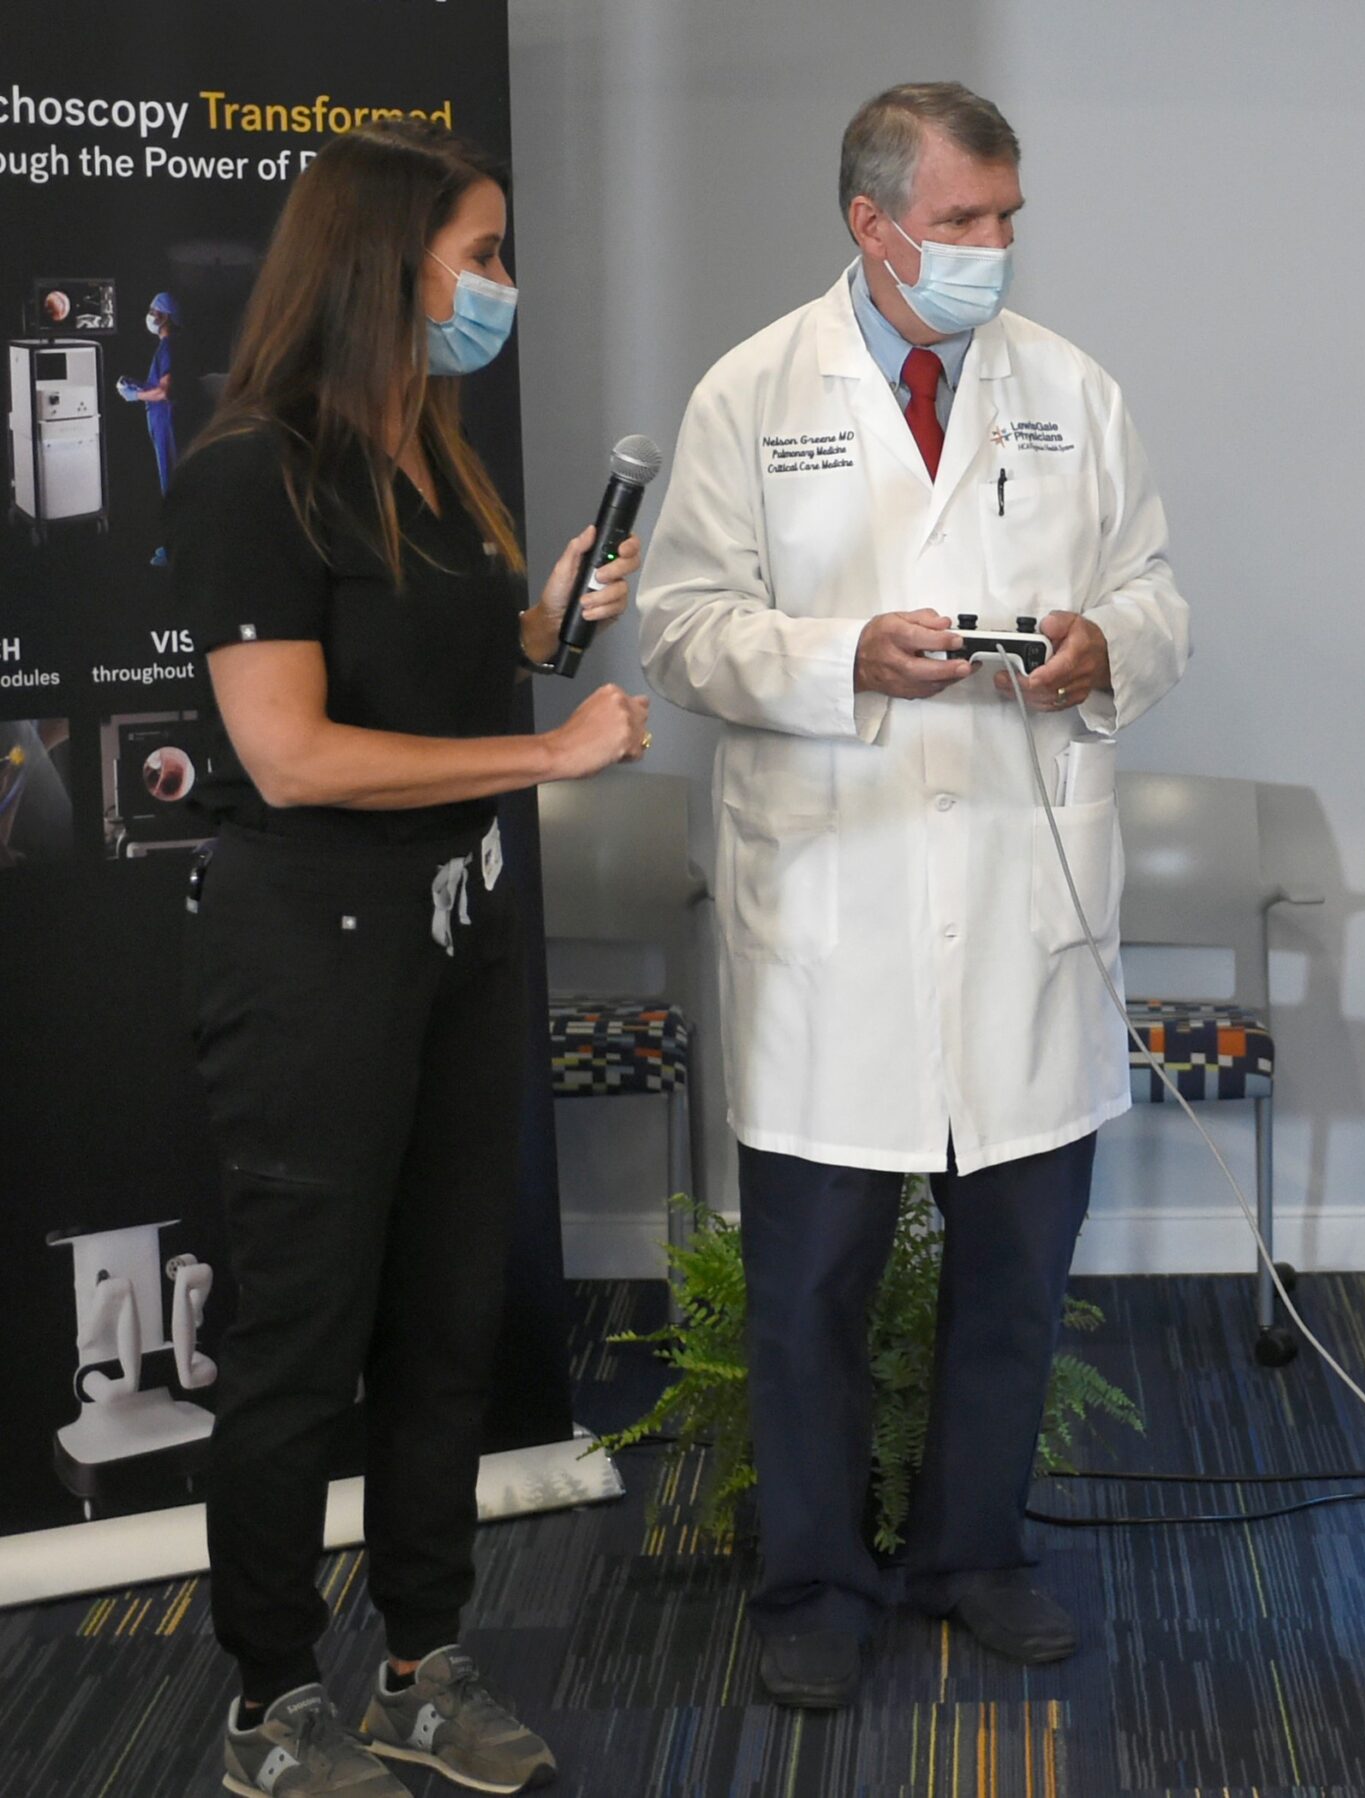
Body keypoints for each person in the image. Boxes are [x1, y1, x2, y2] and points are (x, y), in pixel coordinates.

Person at [638, 81, 1189, 1709]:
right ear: (873, 226)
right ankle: (812, 1579)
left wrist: (1106, 649)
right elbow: (680, 625)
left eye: (1008, 218)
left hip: (1025, 901)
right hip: (835, 905)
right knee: (811, 1283)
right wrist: (838, 659)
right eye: (962, 222)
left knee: (1016, 1271)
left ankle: (972, 1550)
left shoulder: (1069, 390)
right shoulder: (755, 392)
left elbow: (1154, 587)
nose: (993, 250)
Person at [167, 120, 651, 1796]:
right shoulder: (250, 471)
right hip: (311, 947)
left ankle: (424, 1664)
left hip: (455, 936)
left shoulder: (433, 452)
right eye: (484, 252)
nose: (502, 286)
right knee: (304, 1339)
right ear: (390, 264)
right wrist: (549, 754)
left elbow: (450, 661)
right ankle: (269, 1697)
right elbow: (293, 751)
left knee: (448, 1319)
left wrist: (550, 623)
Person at [116, 290, 180, 566]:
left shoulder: (168, 347)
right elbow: (160, 385)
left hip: (166, 421)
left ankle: (174, 550)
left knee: (172, 484)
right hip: (163, 420)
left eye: (153, 311)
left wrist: (135, 395)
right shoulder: (170, 347)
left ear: (164, 316)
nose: (150, 316)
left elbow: (165, 392)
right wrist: (139, 385)